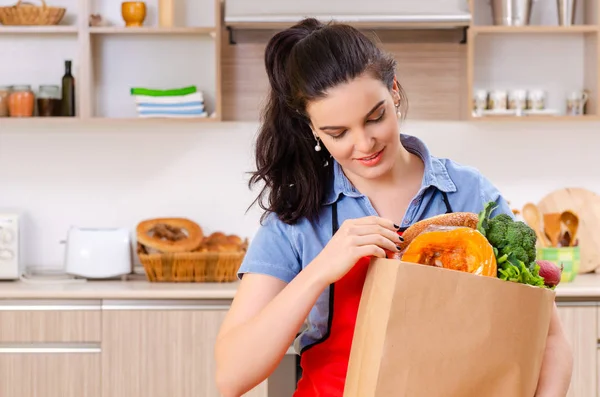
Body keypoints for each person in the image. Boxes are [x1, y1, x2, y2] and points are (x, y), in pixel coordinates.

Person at [214, 17, 573, 397]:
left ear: (394, 92)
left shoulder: (469, 195)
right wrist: (320, 270)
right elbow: (231, 377)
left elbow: (550, 341)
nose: (365, 143)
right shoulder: (298, 215)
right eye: (338, 133)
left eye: (375, 117)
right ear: (313, 129)